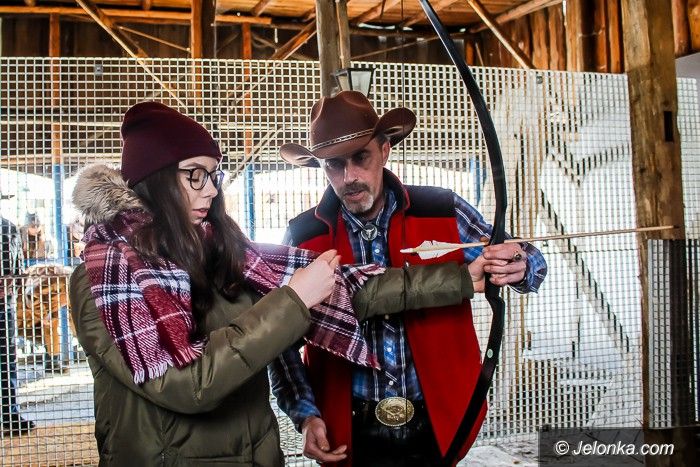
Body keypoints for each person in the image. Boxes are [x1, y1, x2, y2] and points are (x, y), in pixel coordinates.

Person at [68, 102, 485, 466]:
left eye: (213, 174)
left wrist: (462, 277)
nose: (211, 190)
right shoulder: (104, 278)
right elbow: (187, 385)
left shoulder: (222, 252)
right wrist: (295, 301)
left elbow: (351, 289)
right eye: (195, 174)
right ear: (155, 179)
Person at [270, 91, 548, 466]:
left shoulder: (441, 209)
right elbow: (281, 343)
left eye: (361, 157)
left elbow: (524, 258)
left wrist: (520, 263)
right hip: (347, 428)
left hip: (439, 417)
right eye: (334, 165)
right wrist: (305, 414)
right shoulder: (304, 236)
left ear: (384, 150)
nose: (349, 177)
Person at [1, 214, 36, 435]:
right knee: (6, 360)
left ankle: (10, 415)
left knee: (7, 359)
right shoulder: (9, 227)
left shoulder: (9, 227)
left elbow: (18, 269)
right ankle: (10, 415)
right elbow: (19, 270)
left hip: (5, 303)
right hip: (6, 301)